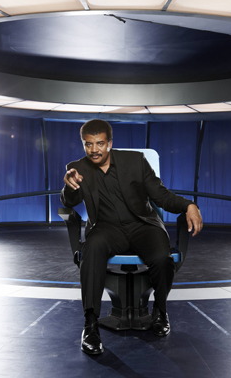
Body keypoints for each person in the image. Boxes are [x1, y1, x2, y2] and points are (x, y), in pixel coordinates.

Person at [61, 119, 203, 355]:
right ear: (83, 144)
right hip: (106, 229)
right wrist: (69, 185)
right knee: (92, 248)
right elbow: (69, 201)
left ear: (110, 143)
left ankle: (160, 311)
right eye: (88, 144)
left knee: (162, 257)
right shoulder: (77, 169)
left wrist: (189, 205)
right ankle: (90, 326)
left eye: (100, 143)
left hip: (142, 225)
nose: (94, 150)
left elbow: (161, 196)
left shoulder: (135, 161)